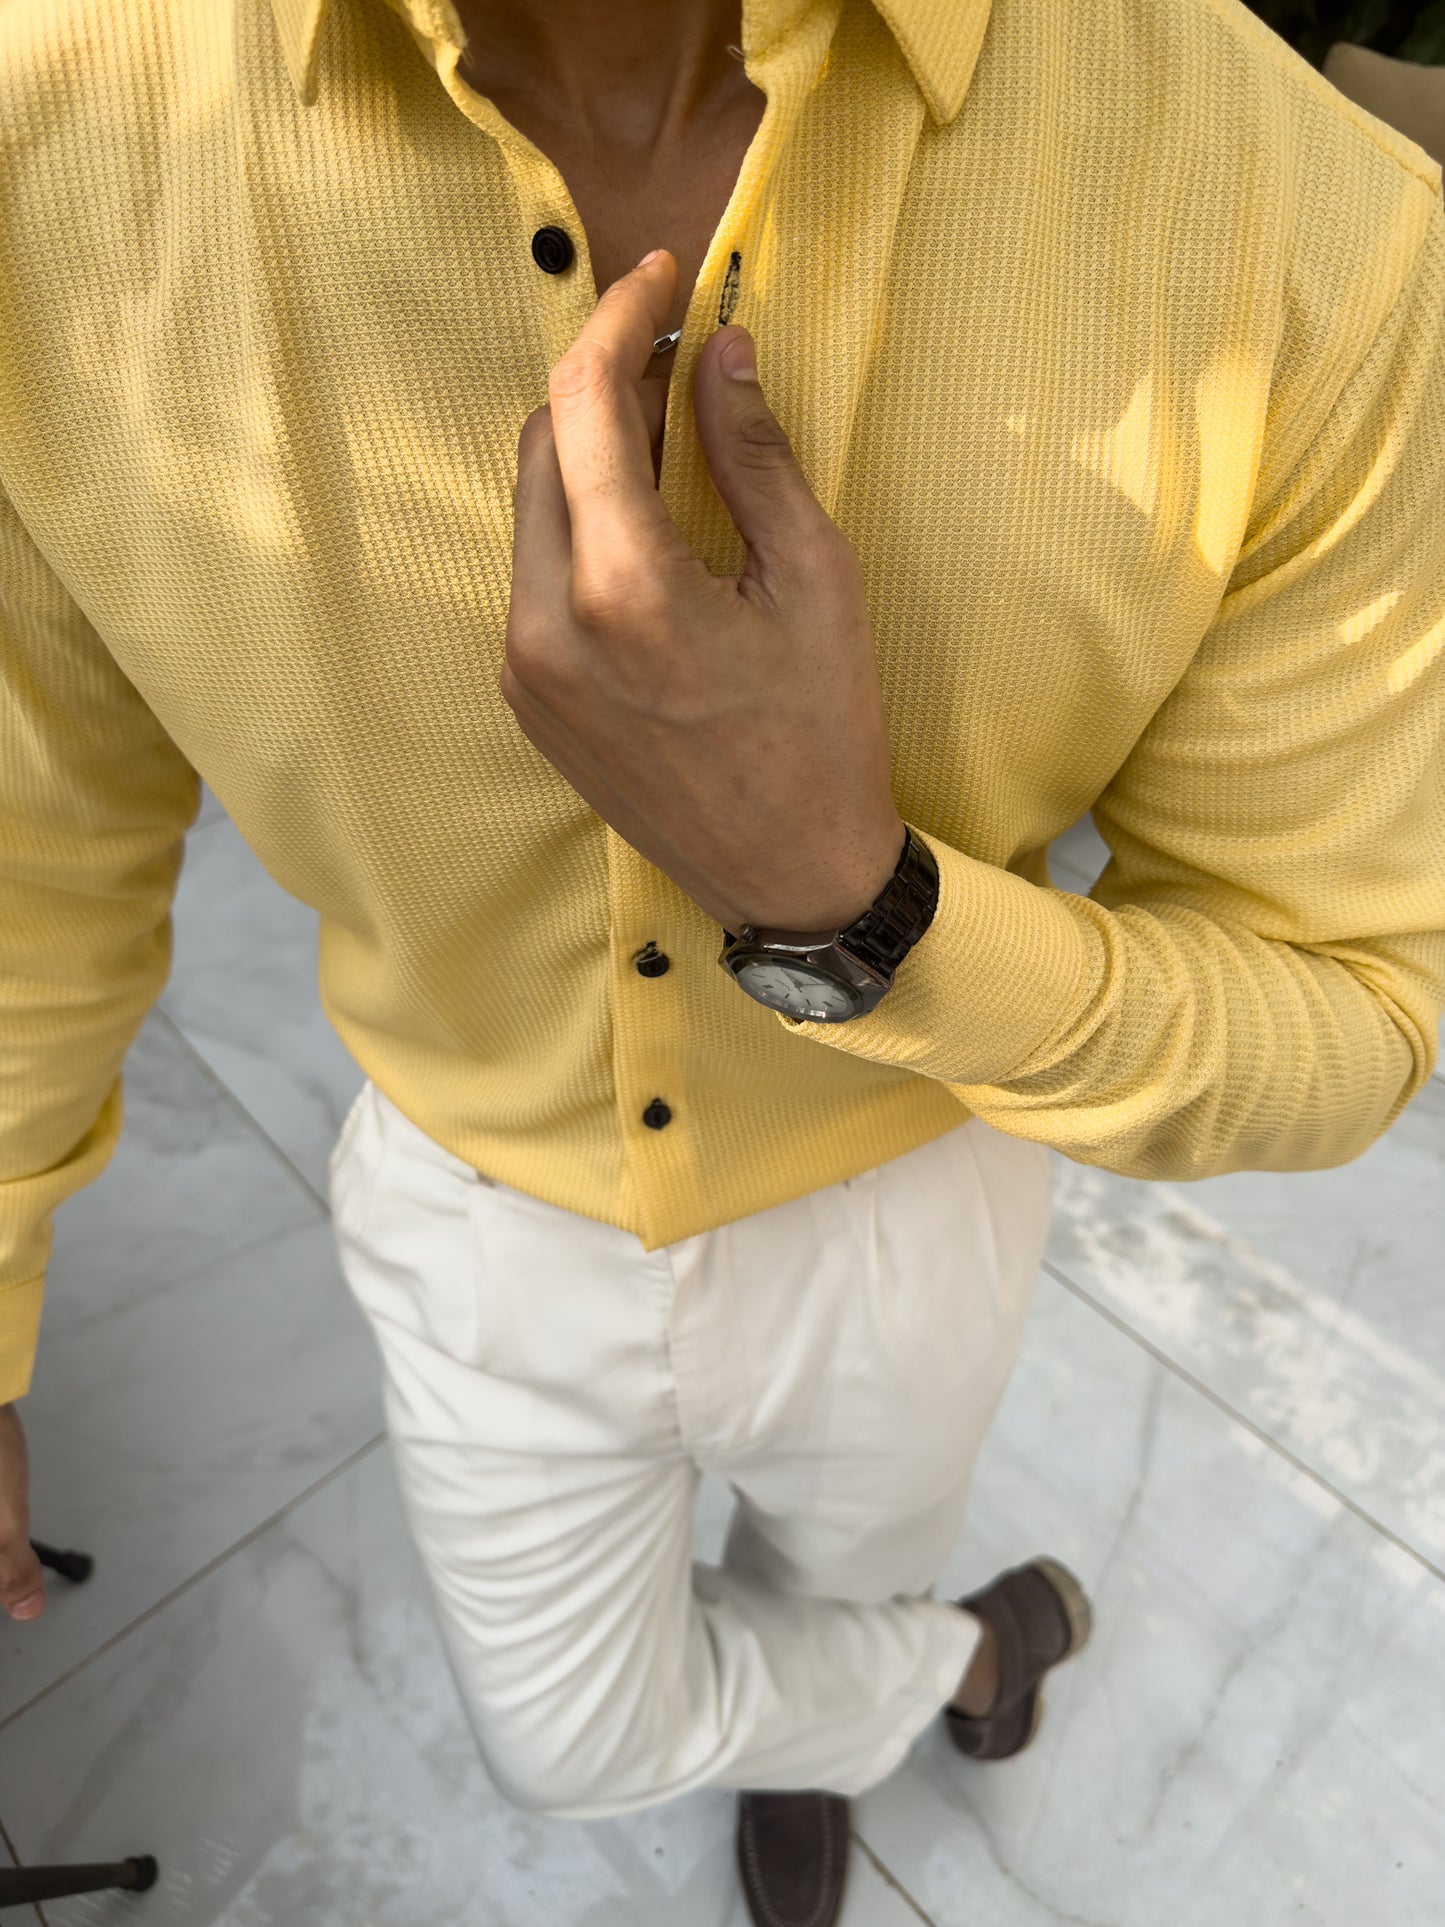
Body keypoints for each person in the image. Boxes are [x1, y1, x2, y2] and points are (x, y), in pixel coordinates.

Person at [1, 0, 1441, 1921]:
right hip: (470, 1194)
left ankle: (822, 1725)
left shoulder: (1302, 218)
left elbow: (1346, 1011)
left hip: (911, 1181)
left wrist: (856, 899)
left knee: (836, 1574)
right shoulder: (47, 139)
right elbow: (35, 832)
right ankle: (951, 1671)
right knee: (566, 1735)